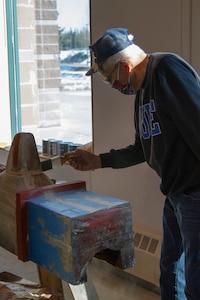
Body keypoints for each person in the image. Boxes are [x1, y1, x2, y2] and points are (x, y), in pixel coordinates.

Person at [64, 28, 200, 299]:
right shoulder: (142, 93)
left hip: (194, 194)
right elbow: (142, 149)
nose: (113, 86)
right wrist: (98, 161)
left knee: (196, 278)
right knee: (171, 270)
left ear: (124, 66)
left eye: (108, 78)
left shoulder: (167, 70)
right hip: (175, 195)